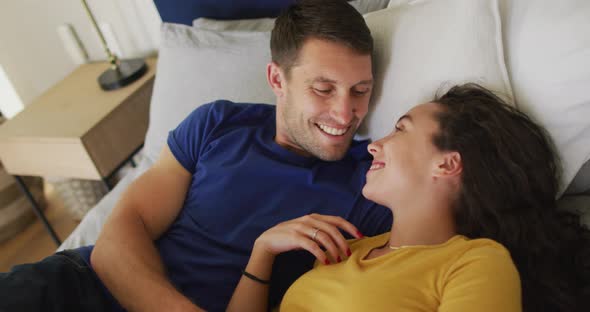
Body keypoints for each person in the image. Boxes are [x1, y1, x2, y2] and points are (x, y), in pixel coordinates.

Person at [0, 1, 392, 311]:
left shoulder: (370, 181)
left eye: (360, 90)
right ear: (277, 79)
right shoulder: (217, 124)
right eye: (324, 89)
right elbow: (120, 234)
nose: (345, 114)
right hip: (79, 285)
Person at [227, 83, 590, 312]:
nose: (374, 144)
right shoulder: (347, 249)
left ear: (447, 164)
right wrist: (263, 253)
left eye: (401, 129)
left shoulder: (477, 262)